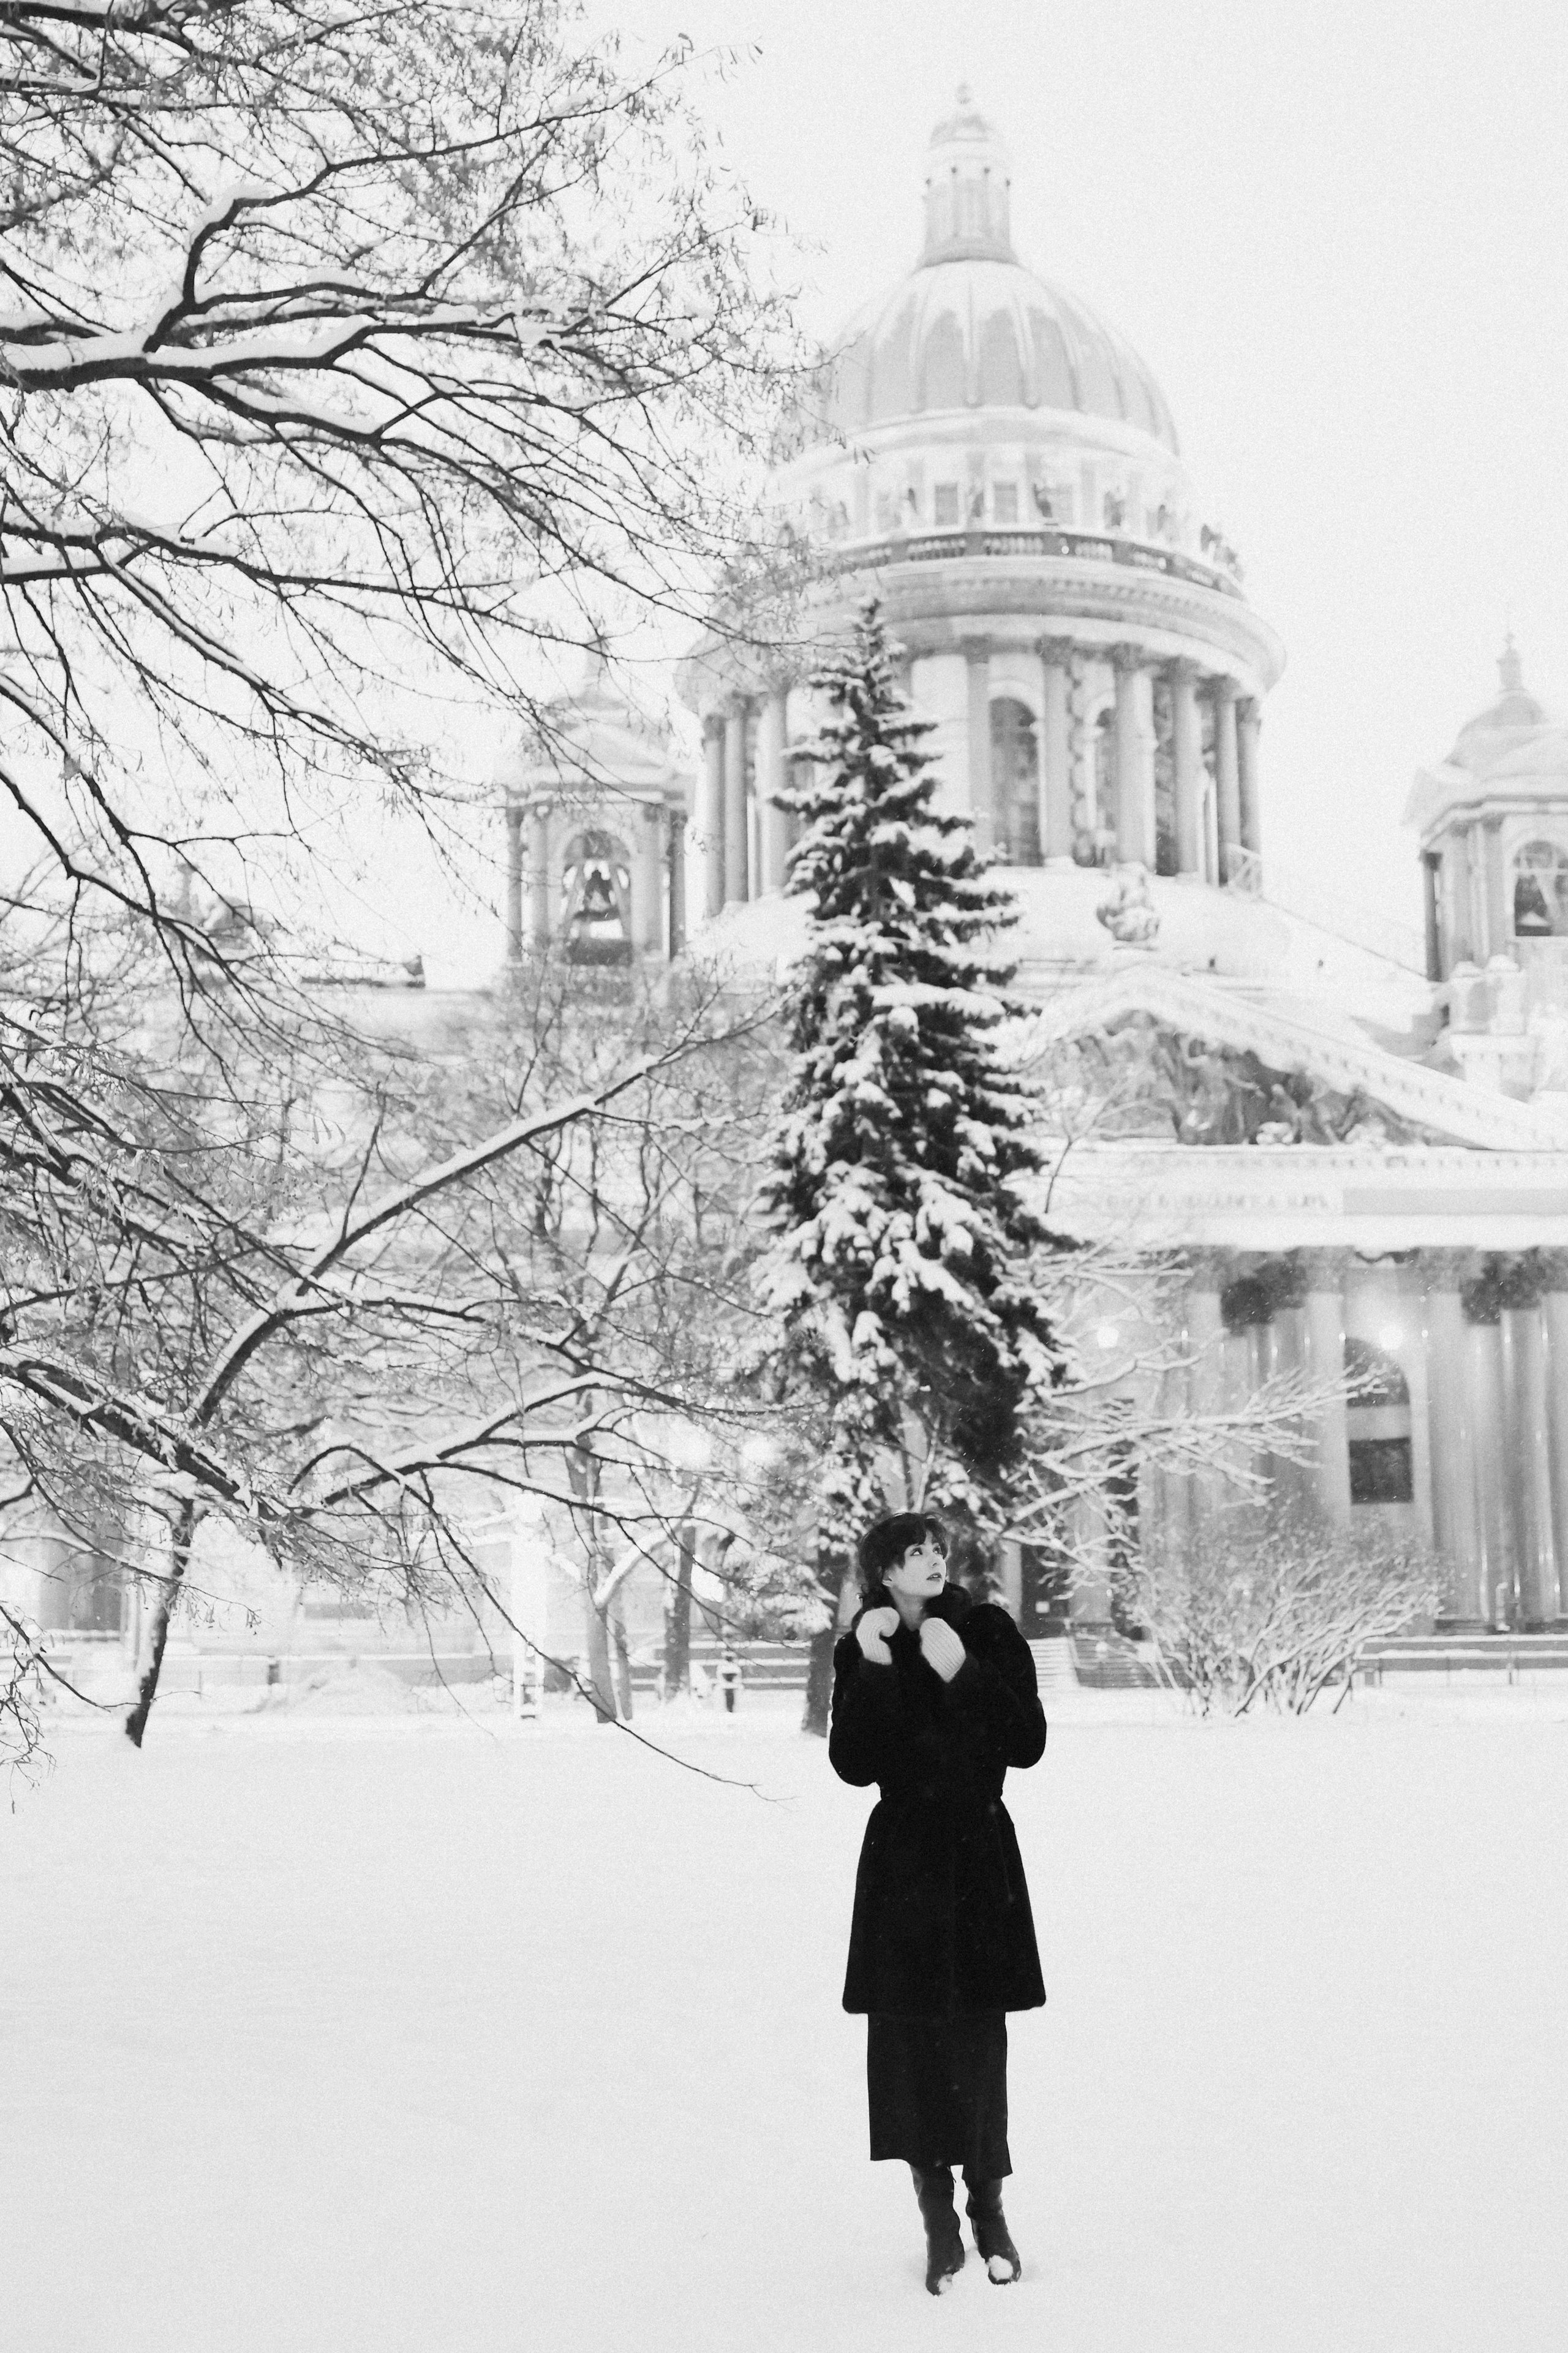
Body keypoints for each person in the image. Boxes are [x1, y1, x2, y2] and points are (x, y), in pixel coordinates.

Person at [829, 1512, 1047, 2295]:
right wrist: (876, 1666)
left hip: (977, 1857)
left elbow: (1025, 1741)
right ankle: (936, 2220)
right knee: (907, 2046)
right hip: (901, 1865)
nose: (932, 1561)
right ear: (883, 1570)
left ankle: (988, 2211)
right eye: (913, 1553)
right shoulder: (863, 1645)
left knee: (977, 2044)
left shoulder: (985, 1629)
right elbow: (853, 1764)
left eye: (936, 1551)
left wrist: (964, 1672)